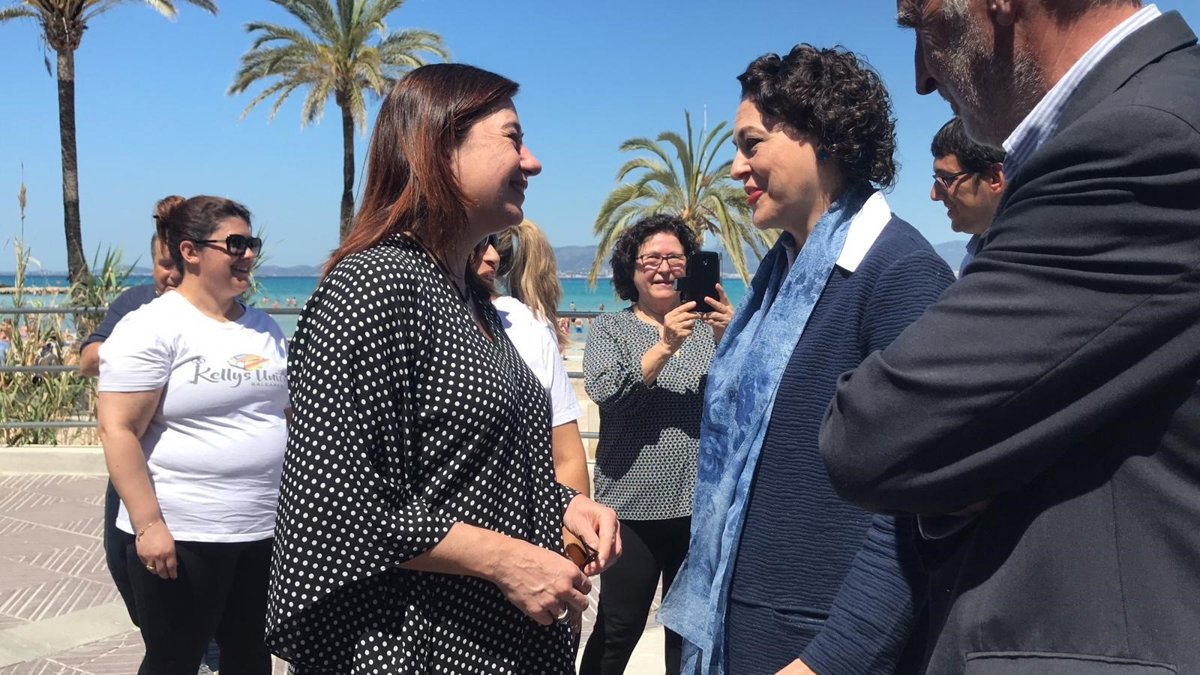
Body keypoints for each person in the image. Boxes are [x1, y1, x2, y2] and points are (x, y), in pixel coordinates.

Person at [820, 3, 1200, 674]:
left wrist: (961, 462)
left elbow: (871, 436)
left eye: (929, 29)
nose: (921, 77)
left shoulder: (1141, 137)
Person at [266, 63, 620, 674]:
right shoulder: (374, 284)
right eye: (513, 138)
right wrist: (507, 561)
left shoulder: (465, 296)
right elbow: (335, 503)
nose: (532, 162)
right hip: (413, 644)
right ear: (438, 148)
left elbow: (462, 466)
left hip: (492, 641)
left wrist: (560, 502)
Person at [659, 45, 956, 675]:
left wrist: (831, 659)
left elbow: (918, 505)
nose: (736, 168)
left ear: (821, 136)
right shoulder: (776, 282)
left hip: (819, 645)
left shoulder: (899, 274)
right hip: (744, 625)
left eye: (752, 144)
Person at [97, 195, 287, 675]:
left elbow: (282, 414)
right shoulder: (150, 327)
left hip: (262, 530)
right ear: (190, 251)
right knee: (174, 661)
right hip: (185, 534)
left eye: (253, 244)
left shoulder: (264, 329)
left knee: (250, 657)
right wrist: (148, 526)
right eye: (235, 244)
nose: (248, 254)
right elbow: (118, 428)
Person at [580, 214, 733, 675]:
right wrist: (665, 346)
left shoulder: (712, 328)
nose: (664, 268)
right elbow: (607, 392)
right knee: (618, 629)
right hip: (631, 509)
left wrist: (732, 339)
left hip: (699, 507)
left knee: (687, 637)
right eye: (651, 259)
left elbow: (743, 400)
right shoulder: (611, 329)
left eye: (675, 258)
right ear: (631, 269)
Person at [79, 232, 180, 630]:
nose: (172, 275)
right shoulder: (134, 305)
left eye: (179, 265)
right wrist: (141, 347)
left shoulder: (219, 311)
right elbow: (87, 361)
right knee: (119, 554)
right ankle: (154, 630)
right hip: (133, 459)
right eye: (164, 265)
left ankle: (194, 643)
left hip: (187, 473)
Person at [929, 118, 1006, 274]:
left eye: (946, 179)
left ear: (994, 178)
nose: (934, 195)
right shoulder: (971, 262)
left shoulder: (1039, 255)